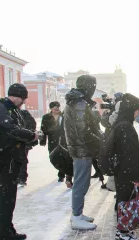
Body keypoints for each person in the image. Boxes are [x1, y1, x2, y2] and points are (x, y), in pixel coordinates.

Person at [0, 83, 38, 240]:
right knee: (4, 199)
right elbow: (10, 129)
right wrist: (31, 135)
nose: (23, 102)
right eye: (23, 98)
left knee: (9, 199)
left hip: (12, 160)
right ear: (16, 96)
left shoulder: (12, 109)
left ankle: (9, 231)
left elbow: (20, 127)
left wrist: (30, 135)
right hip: (3, 160)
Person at [64, 75, 101, 230]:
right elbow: (83, 130)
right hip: (82, 149)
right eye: (93, 86)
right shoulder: (79, 103)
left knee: (82, 182)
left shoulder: (76, 101)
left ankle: (78, 214)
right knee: (81, 183)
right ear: (88, 87)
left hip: (80, 148)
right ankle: (76, 216)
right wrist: (99, 139)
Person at [108, 93, 139, 240]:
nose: (138, 113)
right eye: (137, 110)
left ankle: (122, 230)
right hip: (126, 171)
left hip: (121, 170)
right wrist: (137, 177)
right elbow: (130, 154)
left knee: (123, 200)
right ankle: (124, 233)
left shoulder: (120, 124)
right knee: (125, 201)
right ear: (131, 110)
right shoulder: (126, 127)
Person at [40, 101, 66, 182]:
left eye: (58, 107)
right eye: (55, 107)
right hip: (52, 140)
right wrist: (43, 141)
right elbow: (43, 129)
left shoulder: (63, 115)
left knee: (63, 157)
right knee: (53, 157)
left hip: (63, 139)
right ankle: (60, 169)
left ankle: (61, 174)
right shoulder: (46, 117)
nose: (57, 109)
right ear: (51, 108)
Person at [18, 109, 38, 186]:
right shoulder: (25, 114)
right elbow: (33, 124)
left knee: (19, 159)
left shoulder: (19, 114)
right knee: (23, 159)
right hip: (24, 141)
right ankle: (22, 177)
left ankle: (20, 177)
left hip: (20, 141)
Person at [90, 105, 105, 188]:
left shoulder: (95, 112)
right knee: (93, 158)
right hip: (90, 136)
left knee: (96, 157)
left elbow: (99, 120)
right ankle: (99, 173)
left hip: (95, 135)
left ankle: (100, 174)